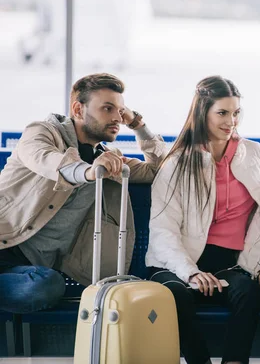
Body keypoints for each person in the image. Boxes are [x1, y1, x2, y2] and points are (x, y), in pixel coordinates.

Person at [145, 75, 260, 364]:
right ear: (202, 113)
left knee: (248, 293)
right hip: (175, 265)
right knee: (175, 296)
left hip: (228, 265)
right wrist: (191, 272)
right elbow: (163, 229)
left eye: (236, 113)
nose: (231, 122)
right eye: (222, 113)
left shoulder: (253, 154)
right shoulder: (177, 165)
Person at [0, 73, 167, 313]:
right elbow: (48, 161)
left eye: (120, 111)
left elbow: (161, 169)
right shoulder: (42, 133)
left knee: (46, 287)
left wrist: (138, 124)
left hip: (26, 271)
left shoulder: (108, 161)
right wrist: (89, 172)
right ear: (78, 109)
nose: (116, 118)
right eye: (107, 109)